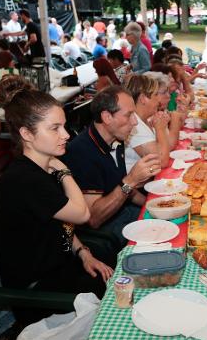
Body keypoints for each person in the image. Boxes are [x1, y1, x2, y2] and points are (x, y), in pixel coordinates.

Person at [0, 75, 113, 324]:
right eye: (55, 128)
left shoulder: (41, 169)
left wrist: (83, 253)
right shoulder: (25, 179)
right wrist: (64, 171)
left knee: (117, 264)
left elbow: (60, 222)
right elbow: (81, 215)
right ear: (27, 133)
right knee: (119, 294)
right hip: (38, 291)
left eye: (64, 126)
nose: (66, 135)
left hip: (59, 264)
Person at [62, 86, 160, 245]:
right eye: (129, 115)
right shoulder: (81, 152)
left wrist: (154, 205)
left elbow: (125, 189)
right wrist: (130, 181)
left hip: (123, 212)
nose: (135, 122)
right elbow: (93, 219)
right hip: (104, 232)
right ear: (107, 117)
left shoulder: (117, 139)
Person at [123, 75, 173, 171]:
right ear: (142, 98)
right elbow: (161, 162)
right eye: (155, 95)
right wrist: (160, 129)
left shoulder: (146, 119)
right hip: (132, 185)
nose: (159, 100)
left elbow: (168, 146)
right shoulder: (135, 124)